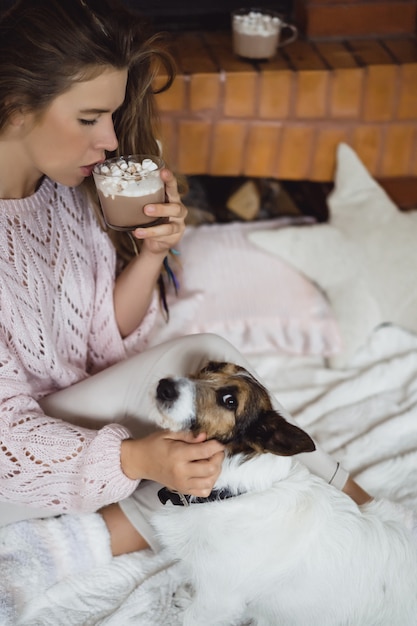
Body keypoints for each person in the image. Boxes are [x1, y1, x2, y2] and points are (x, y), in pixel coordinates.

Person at [0, 0, 371, 592]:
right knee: (204, 367)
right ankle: (368, 516)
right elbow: (5, 441)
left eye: (114, 117)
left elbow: (102, 345)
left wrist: (149, 253)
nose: (110, 141)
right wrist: (139, 461)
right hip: (14, 470)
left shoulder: (62, 196)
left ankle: (86, 539)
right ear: (17, 106)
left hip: (61, 428)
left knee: (205, 411)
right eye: (91, 118)